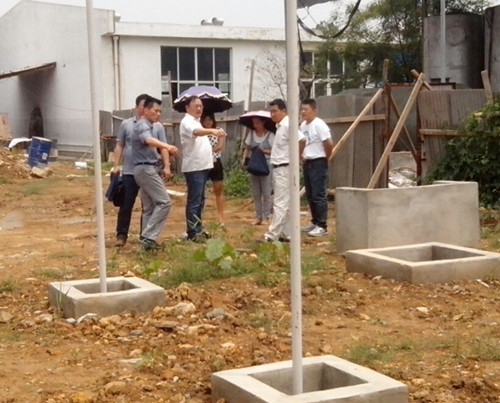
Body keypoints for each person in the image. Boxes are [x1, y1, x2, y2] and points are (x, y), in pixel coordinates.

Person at [132, 96, 179, 251]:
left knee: (150, 207)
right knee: (164, 202)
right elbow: (148, 140)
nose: (158, 114)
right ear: (145, 110)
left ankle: (146, 244)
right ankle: (148, 237)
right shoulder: (142, 125)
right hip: (145, 169)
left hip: (149, 168)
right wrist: (167, 145)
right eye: (155, 110)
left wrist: (166, 165)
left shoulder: (153, 126)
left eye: (160, 111)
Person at [180, 96, 226, 242]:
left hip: (203, 166)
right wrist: (211, 130)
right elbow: (196, 132)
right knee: (194, 200)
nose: (199, 108)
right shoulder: (187, 122)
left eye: (201, 106)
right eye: (196, 106)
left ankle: (198, 229)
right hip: (195, 167)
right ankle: (193, 232)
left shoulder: (196, 121)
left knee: (200, 200)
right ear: (187, 107)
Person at [264, 99, 305, 243]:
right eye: (271, 112)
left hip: (285, 167)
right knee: (287, 202)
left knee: (280, 202)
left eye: (275, 111)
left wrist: (296, 158)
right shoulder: (280, 126)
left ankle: (272, 234)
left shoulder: (287, 125)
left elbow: (302, 140)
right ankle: (286, 232)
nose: (272, 114)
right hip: (280, 167)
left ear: (283, 111)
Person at [112, 93, 148, 247]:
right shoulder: (126, 124)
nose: (145, 109)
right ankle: (121, 235)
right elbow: (120, 145)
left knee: (148, 206)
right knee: (126, 204)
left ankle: (145, 236)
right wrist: (116, 165)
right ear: (136, 107)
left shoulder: (153, 125)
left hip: (146, 172)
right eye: (143, 106)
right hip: (129, 171)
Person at [300, 98, 334, 237]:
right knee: (310, 194)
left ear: (314, 110)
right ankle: (314, 221)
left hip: (318, 161)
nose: (303, 112)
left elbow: (329, 143)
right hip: (307, 162)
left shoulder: (319, 124)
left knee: (318, 194)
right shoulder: (303, 125)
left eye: (306, 109)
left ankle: (322, 225)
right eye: (302, 109)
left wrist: (326, 157)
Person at [243, 116, 275, 225]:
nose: (255, 125)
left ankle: (266, 216)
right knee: (256, 192)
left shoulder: (270, 135)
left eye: (257, 123)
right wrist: (245, 160)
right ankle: (258, 216)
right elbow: (247, 148)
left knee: (266, 192)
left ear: (263, 122)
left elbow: (275, 151)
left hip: (266, 164)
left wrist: (264, 151)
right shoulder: (251, 134)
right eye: (254, 123)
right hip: (254, 164)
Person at [201, 112, 225, 225]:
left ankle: (221, 217)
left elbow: (220, 146)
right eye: (205, 119)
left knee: (218, 190)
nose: (208, 122)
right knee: (200, 191)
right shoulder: (200, 131)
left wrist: (207, 151)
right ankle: (199, 216)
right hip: (203, 163)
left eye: (210, 119)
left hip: (216, 162)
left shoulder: (219, 131)